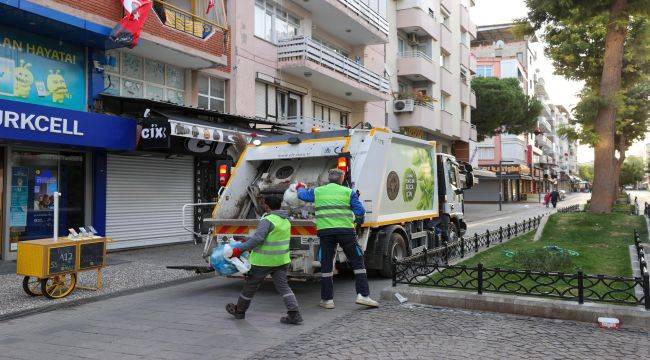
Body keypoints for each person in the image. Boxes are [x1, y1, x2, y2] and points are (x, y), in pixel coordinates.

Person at [296, 168, 379, 309]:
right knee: (357, 261)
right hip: (346, 232)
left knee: (327, 264)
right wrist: (358, 222)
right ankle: (363, 295)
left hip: (325, 233)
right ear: (341, 179)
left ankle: (327, 300)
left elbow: (302, 195)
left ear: (329, 179)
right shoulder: (348, 192)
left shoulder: (318, 191)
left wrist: (299, 187)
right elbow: (360, 211)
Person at [226, 195, 303, 325]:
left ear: (267, 206)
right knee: (284, 287)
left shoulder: (268, 220)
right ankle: (294, 313)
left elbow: (258, 239)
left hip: (263, 261)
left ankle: (239, 311)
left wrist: (240, 249)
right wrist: (248, 241)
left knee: (250, 286)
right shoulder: (285, 220)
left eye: (264, 204)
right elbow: (270, 238)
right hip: (281, 260)